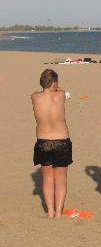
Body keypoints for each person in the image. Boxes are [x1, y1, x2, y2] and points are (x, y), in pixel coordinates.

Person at [31, 69, 72, 218]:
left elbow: (48, 91)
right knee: (61, 179)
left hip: (43, 141)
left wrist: (50, 85)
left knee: (47, 179)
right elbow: (64, 92)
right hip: (62, 141)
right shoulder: (60, 95)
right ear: (54, 83)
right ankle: (59, 212)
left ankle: (50, 212)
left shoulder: (35, 97)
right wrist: (57, 87)